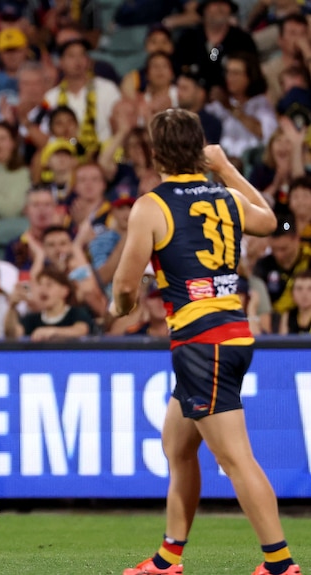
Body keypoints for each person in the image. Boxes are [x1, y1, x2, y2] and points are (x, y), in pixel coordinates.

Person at [112, 108, 301, 575]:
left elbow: (123, 285)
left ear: (155, 153)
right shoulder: (226, 198)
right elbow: (270, 219)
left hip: (201, 343)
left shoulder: (151, 206)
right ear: (200, 150)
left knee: (236, 459)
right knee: (176, 446)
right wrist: (227, 169)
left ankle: (280, 563)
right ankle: (168, 557)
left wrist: (123, 307)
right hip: (232, 334)